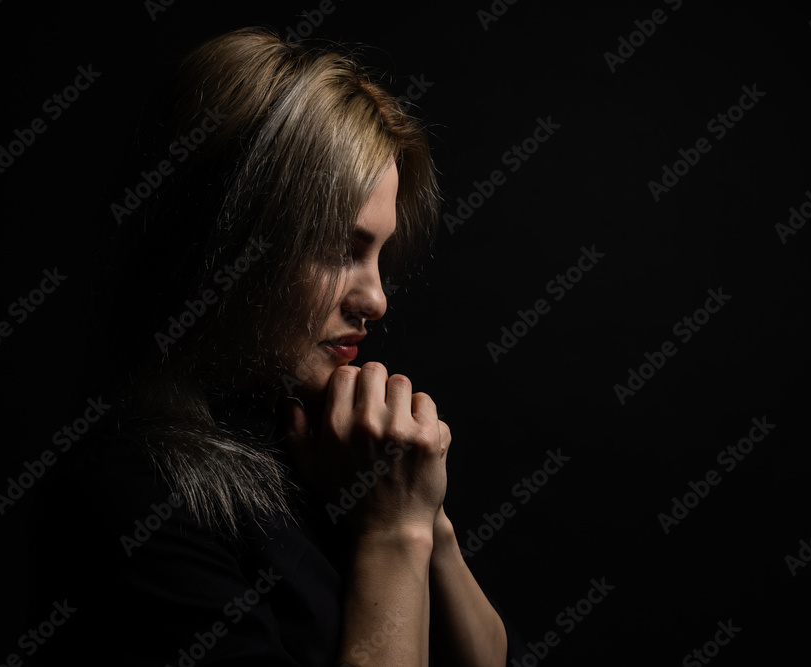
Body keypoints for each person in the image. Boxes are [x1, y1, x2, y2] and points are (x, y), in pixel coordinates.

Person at [28, 26, 525, 666]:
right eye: (339, 250)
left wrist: (426, 516)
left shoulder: (323, 443)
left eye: (378, 253)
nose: (376, 299)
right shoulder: (135, 499)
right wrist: (393, 535)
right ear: (228, 241)